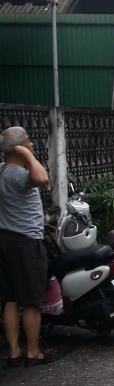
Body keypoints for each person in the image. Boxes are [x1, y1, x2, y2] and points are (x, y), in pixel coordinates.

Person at [0, 126, 56, 367]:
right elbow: (42, 178)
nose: (32, 144)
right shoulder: (17, 175)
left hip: (5, 240)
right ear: (19, 148)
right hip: (25, 241)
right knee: (32, 301)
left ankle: (14, 352)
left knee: (10, 299)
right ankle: (33, 352)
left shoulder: (2, 170)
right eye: (28, 141)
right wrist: (28, 155)